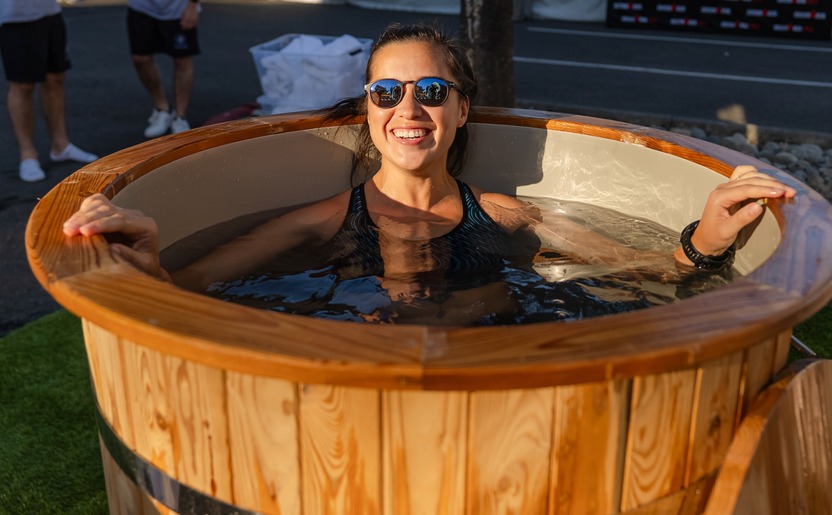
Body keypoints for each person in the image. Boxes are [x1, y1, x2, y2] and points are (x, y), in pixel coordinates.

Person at [63, 23, 796, 322]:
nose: (407, 107)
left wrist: (705, 234)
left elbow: (656, 270)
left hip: (497, 376)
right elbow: (193, 291)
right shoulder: (317, 221)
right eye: (387, 91)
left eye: (431, 91)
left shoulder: (511, 215)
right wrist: (149, 253)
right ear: (369, 110)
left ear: (461, 110)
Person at [0, 0, 98, 182]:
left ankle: (61, 145)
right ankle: (27, 154)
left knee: (55, 78)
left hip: (50, 12)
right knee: (22, 85)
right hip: (14, 16)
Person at [127, 0, 200, 138]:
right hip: (141, 7)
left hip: (178, 7)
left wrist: (192, 4)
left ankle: (180, 117)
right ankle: (163, 108)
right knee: (140, 58)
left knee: (181, 60)